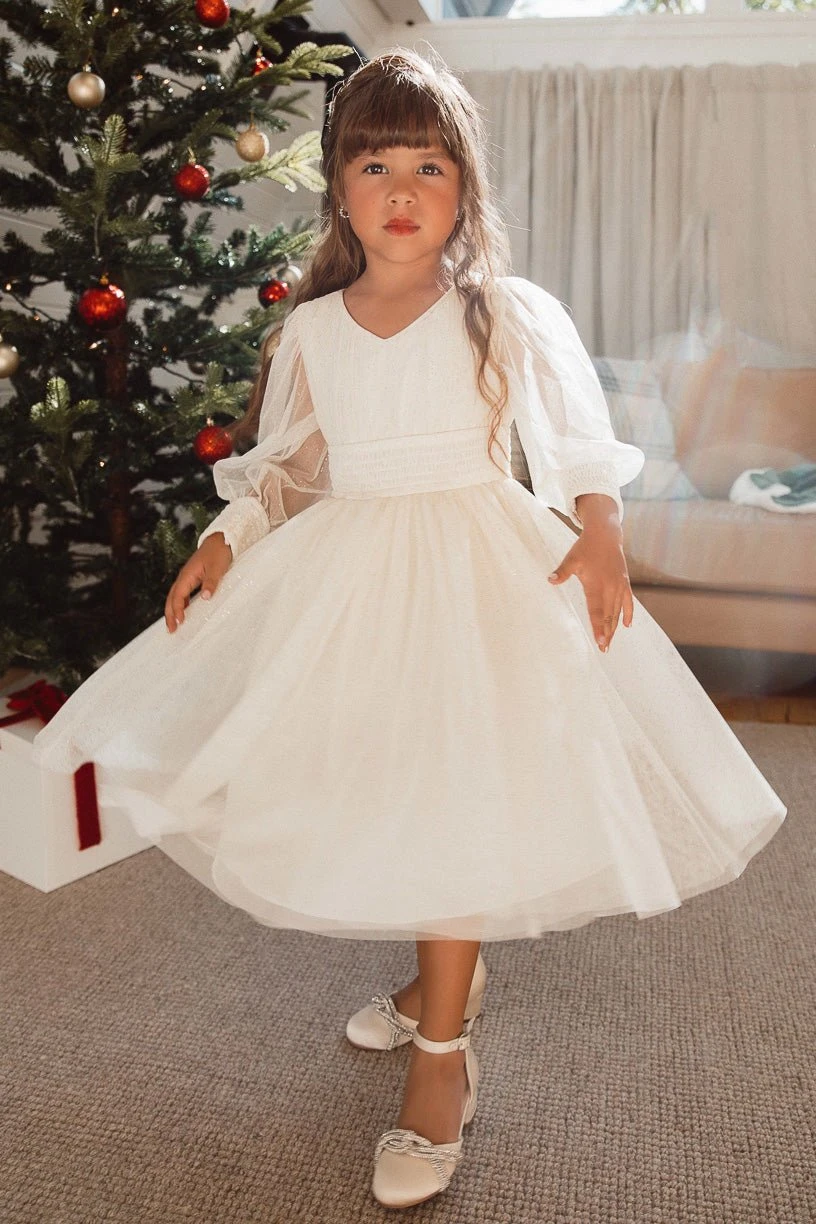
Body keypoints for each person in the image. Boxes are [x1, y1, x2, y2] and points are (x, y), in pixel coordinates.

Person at [31, 47, 787, 1211]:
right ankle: (449, 979)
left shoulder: (501, 313)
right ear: (339, 188)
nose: (400, 189)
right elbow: (290, 468)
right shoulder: (313, 331)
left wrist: (598, 529)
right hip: (357, 576)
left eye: (428, 166)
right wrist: (226, 537)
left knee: (458, 788)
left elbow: (575, 442)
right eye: (375, 164)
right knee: (391, 782)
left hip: (479, 568)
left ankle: (443, 1059)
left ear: (464, 189)